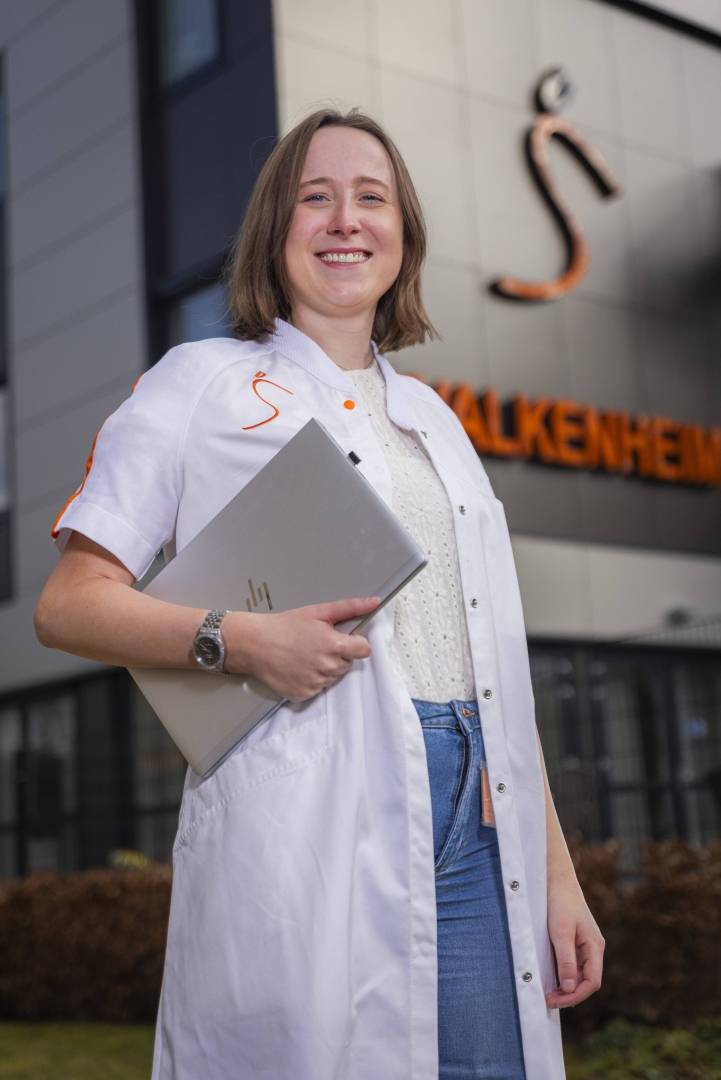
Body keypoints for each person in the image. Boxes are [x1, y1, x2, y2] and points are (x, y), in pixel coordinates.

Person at [34, 107, 604, 1079]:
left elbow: (489, 665)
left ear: (402, 233)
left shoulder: (435, 420)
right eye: (316, 198)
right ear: (275, 228)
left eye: (371, 198)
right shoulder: (200, 384)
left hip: (478, 820)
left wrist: (555, 873)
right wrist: (239, 641)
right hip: (307, 818)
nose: (346, 219)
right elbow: (68, 604)